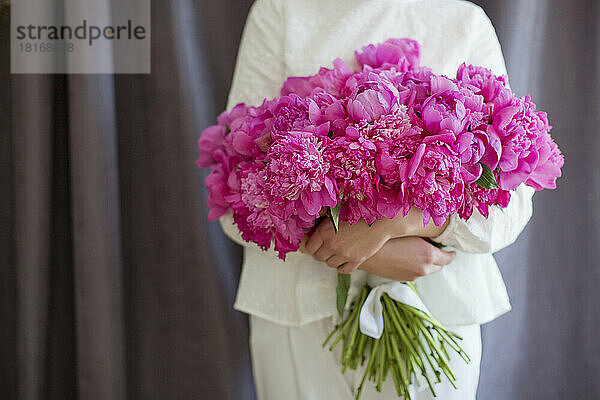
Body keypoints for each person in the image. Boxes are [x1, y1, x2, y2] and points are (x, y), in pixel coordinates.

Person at [219, 0, 534, 398]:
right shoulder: (281, 12)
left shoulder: (463, 20)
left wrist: (392, 226)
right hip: (301, 315)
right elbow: (234, 196)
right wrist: (361, 251)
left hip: (438, 310)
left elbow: (512, 205)